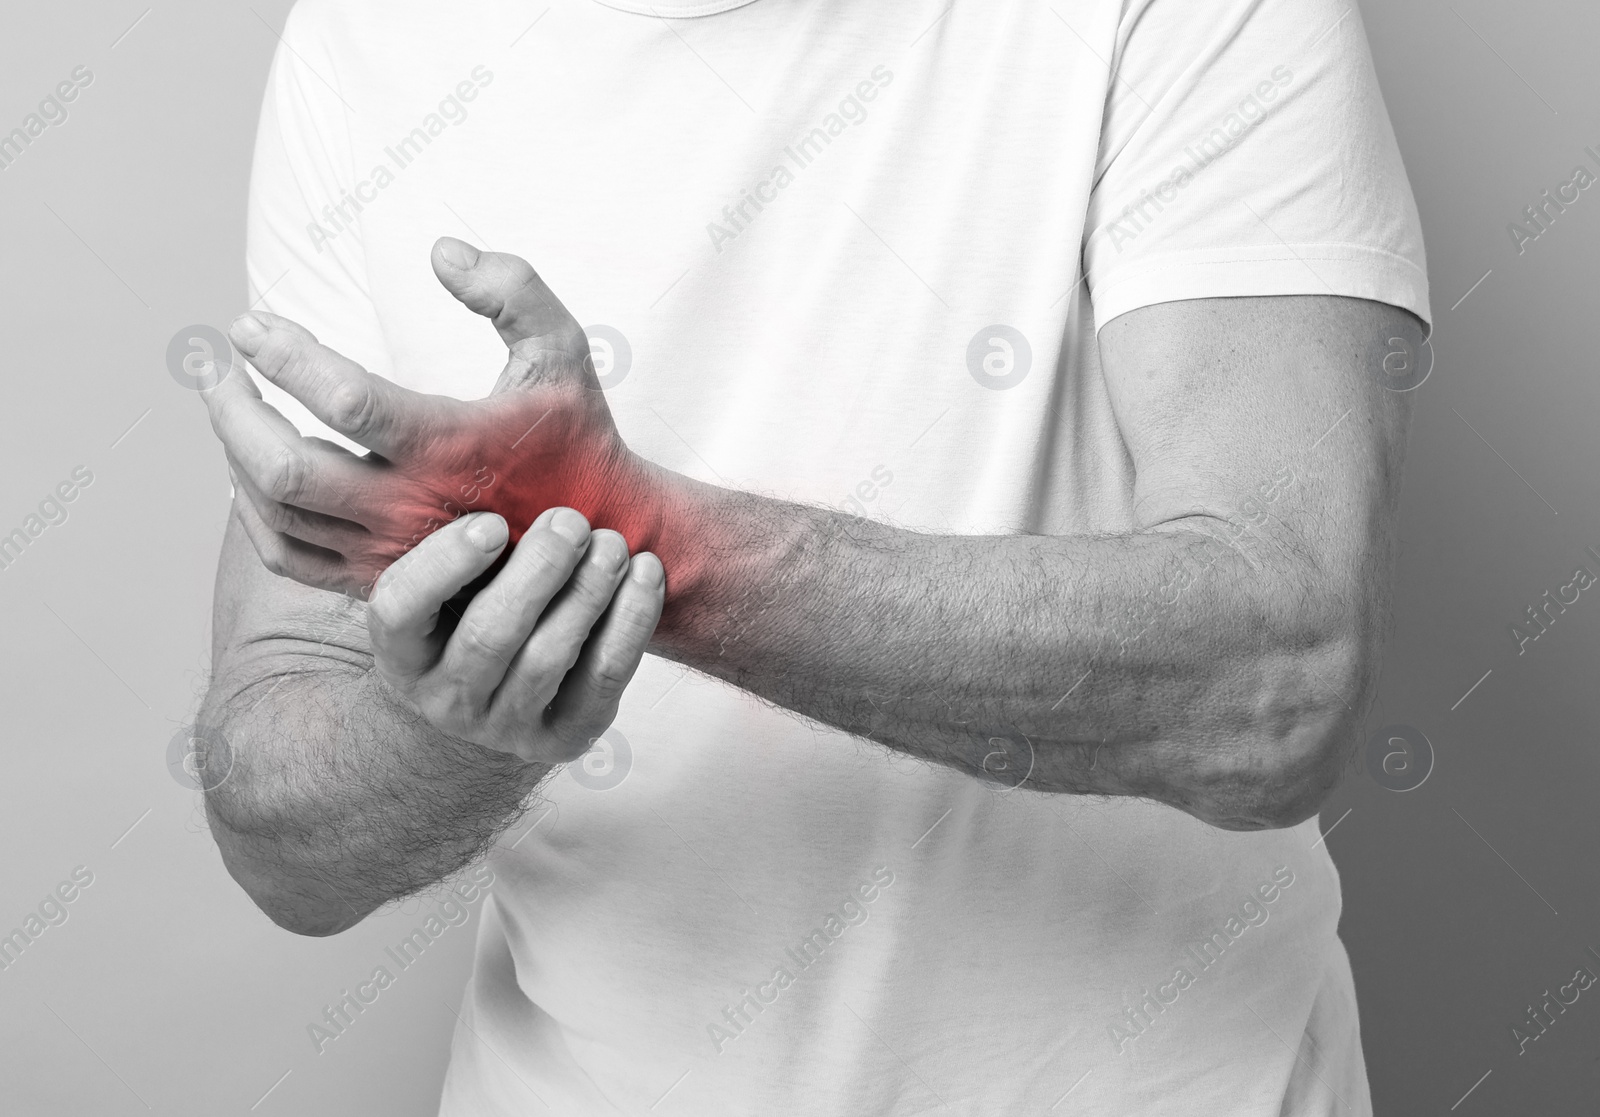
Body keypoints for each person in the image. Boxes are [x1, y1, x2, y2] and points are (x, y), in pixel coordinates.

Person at [196, 0, 1430, 1112]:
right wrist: (462, 707)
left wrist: (641, 546)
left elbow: (1278, 680)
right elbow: (282, 843)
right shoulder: (361, 40)